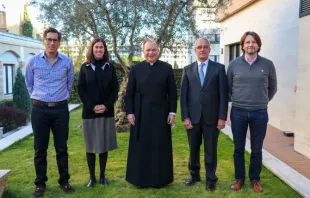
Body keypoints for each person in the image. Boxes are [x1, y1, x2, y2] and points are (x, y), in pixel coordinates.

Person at [25, 28, 74, 197]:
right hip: (40, 109)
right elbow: (29, 84)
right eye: (49, 39)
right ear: (43, 40)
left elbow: (69, 84)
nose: (52, 43)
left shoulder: (67, 63)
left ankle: (64, 181)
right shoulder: (33, 62)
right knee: (40, 149)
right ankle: (40, 184)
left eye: (55, 40)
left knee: (62, 148)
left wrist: (59, 98)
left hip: (61, 109)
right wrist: (40, 98)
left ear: (59, 42)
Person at [227, 31, 277, 193]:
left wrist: (262, 101)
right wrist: (239, 100)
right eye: (247, 42)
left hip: (259, 113)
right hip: (238, 112)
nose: (250, 45)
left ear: (258, 45)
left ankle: (255, 179)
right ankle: (239, 179)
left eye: (254, 42)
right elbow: (228, 87)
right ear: (242, 45)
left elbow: (273, 87)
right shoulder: (234, 64)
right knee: (238, 148)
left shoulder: (268, 64)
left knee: (257, 148)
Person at [125, 38, 177, 188]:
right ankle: (139, 180)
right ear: (143, 52)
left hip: (161, 113)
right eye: (148, 50)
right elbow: (129, 94)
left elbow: (172, 93)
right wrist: (130, 113)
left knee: (159, 146)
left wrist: (172, 112)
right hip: (140, 114)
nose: (151, 53)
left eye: (153, 50)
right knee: (141, 147)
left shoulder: (167, 68)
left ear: (158, 51)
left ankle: (160, 180)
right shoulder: (135, 69)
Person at [180, 38, 228, 191]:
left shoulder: (219, 69)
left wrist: (222, 117)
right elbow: (184, 96)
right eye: (199, 47)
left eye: (205, 47)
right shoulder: (187, 70)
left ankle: (211, 179)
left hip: (212, 119)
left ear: (209, 50)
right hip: (193, 118)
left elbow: (223, 95)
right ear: (195, 50)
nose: (202, 49)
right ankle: (194, 176)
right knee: (193, 149)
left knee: (210, 150)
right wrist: (185, 117)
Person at [77, 38, 119, 188]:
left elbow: (115, 88)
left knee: (103, 145)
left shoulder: (110, 67)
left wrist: (106, 106)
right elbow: (80, 88)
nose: (99, 50)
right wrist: (91, 106)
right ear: (92, 49)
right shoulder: (85, 67)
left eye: (101, 48)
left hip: (106, 112)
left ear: (104, 50)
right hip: (89, 113)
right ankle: (92, 178)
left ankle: (102, 176)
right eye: (96, 47)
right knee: (90, 146)